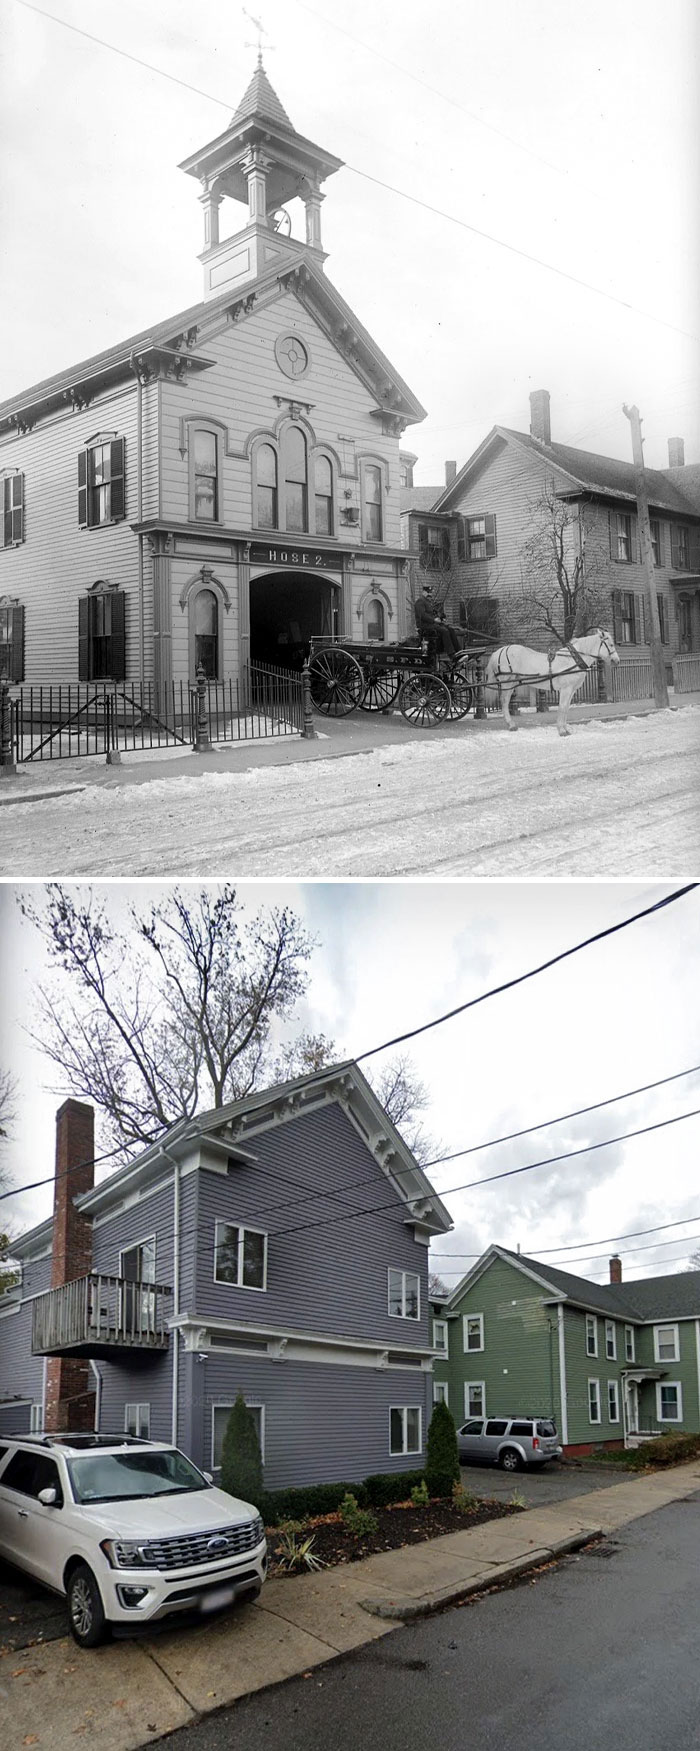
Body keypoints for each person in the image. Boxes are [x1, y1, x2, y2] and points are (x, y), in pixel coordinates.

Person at [413, 584, 462, 666]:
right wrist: (434, 620)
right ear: (424, 592)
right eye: (428, 593)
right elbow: (422, 615)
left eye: (431, 593)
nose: (430, 595)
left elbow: (433, 613)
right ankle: (451, 655)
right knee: (444, 631)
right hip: (424, 626)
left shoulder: (428, 602)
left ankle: (459, 652)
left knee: (451, 630)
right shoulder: (420, 602)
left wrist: (440, 618)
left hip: (432, 625)